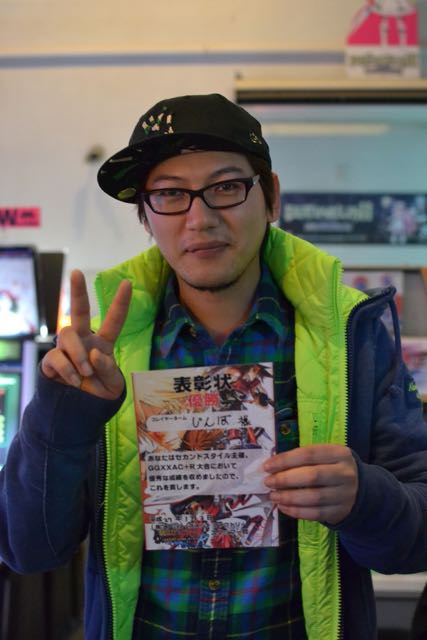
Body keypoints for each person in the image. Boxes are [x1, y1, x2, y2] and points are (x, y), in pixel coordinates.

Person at [1, 93, 427, 640]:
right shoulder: (104, 357)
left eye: (226, 187)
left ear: (271, 196)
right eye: (170, 194)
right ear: (145, 215)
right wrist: (61, 418)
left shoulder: (351, 336)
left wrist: (364, 498)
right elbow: (28, 548)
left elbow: (416, 540)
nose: (199, 220)